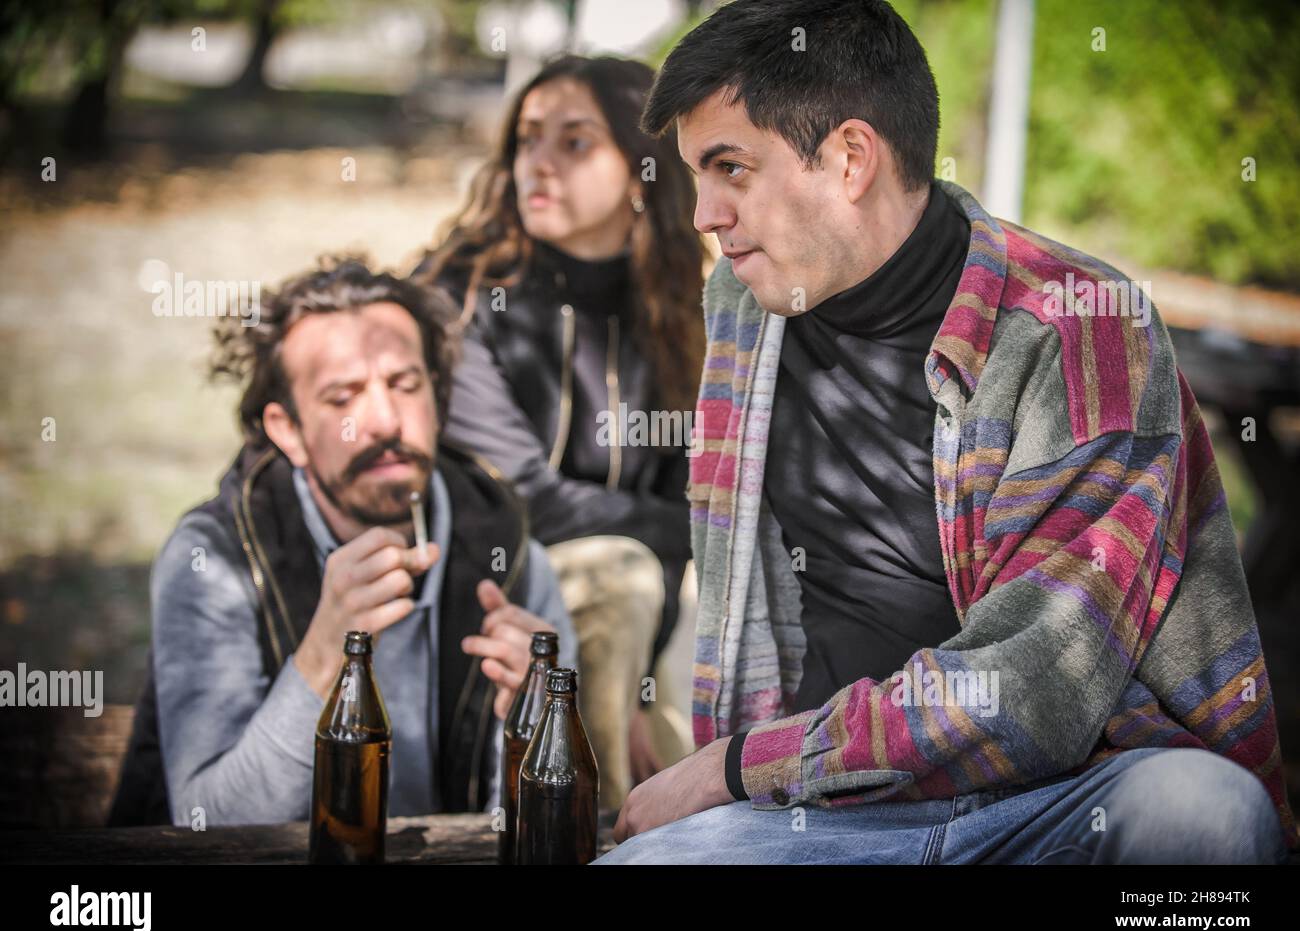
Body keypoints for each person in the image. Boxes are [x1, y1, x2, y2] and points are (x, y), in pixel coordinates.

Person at [598, 0, 1297, 863]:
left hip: (1055, 799)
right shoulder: (745, 306)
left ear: (851, 158)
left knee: (1202, 812)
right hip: (819, 811)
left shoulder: (1077, 324)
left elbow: (1039, 686)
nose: (703, 213)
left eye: (730, 167)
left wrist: (734, 768)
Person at [108, 258, 577, 827]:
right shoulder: (217, 560)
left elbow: (535, 836)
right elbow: (209, 821)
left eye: (405, 385)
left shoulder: (511, 553)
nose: (382, 421)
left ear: (439, 399)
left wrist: (527, 732)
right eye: (342, 398)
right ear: (288, 431)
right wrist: (322, 656)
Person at [413, 55, 708, 809]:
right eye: (527, 140)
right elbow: (526, 500)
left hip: (626, 621)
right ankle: (583, 834)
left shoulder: (683, 316)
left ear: (643, 170)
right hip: (472, 595)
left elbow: (690, 521)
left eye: (574, 143)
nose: (536, 165)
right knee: (622, 577)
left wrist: (641, 682)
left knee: (685, 745)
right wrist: (691, 527)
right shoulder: (462, 295)